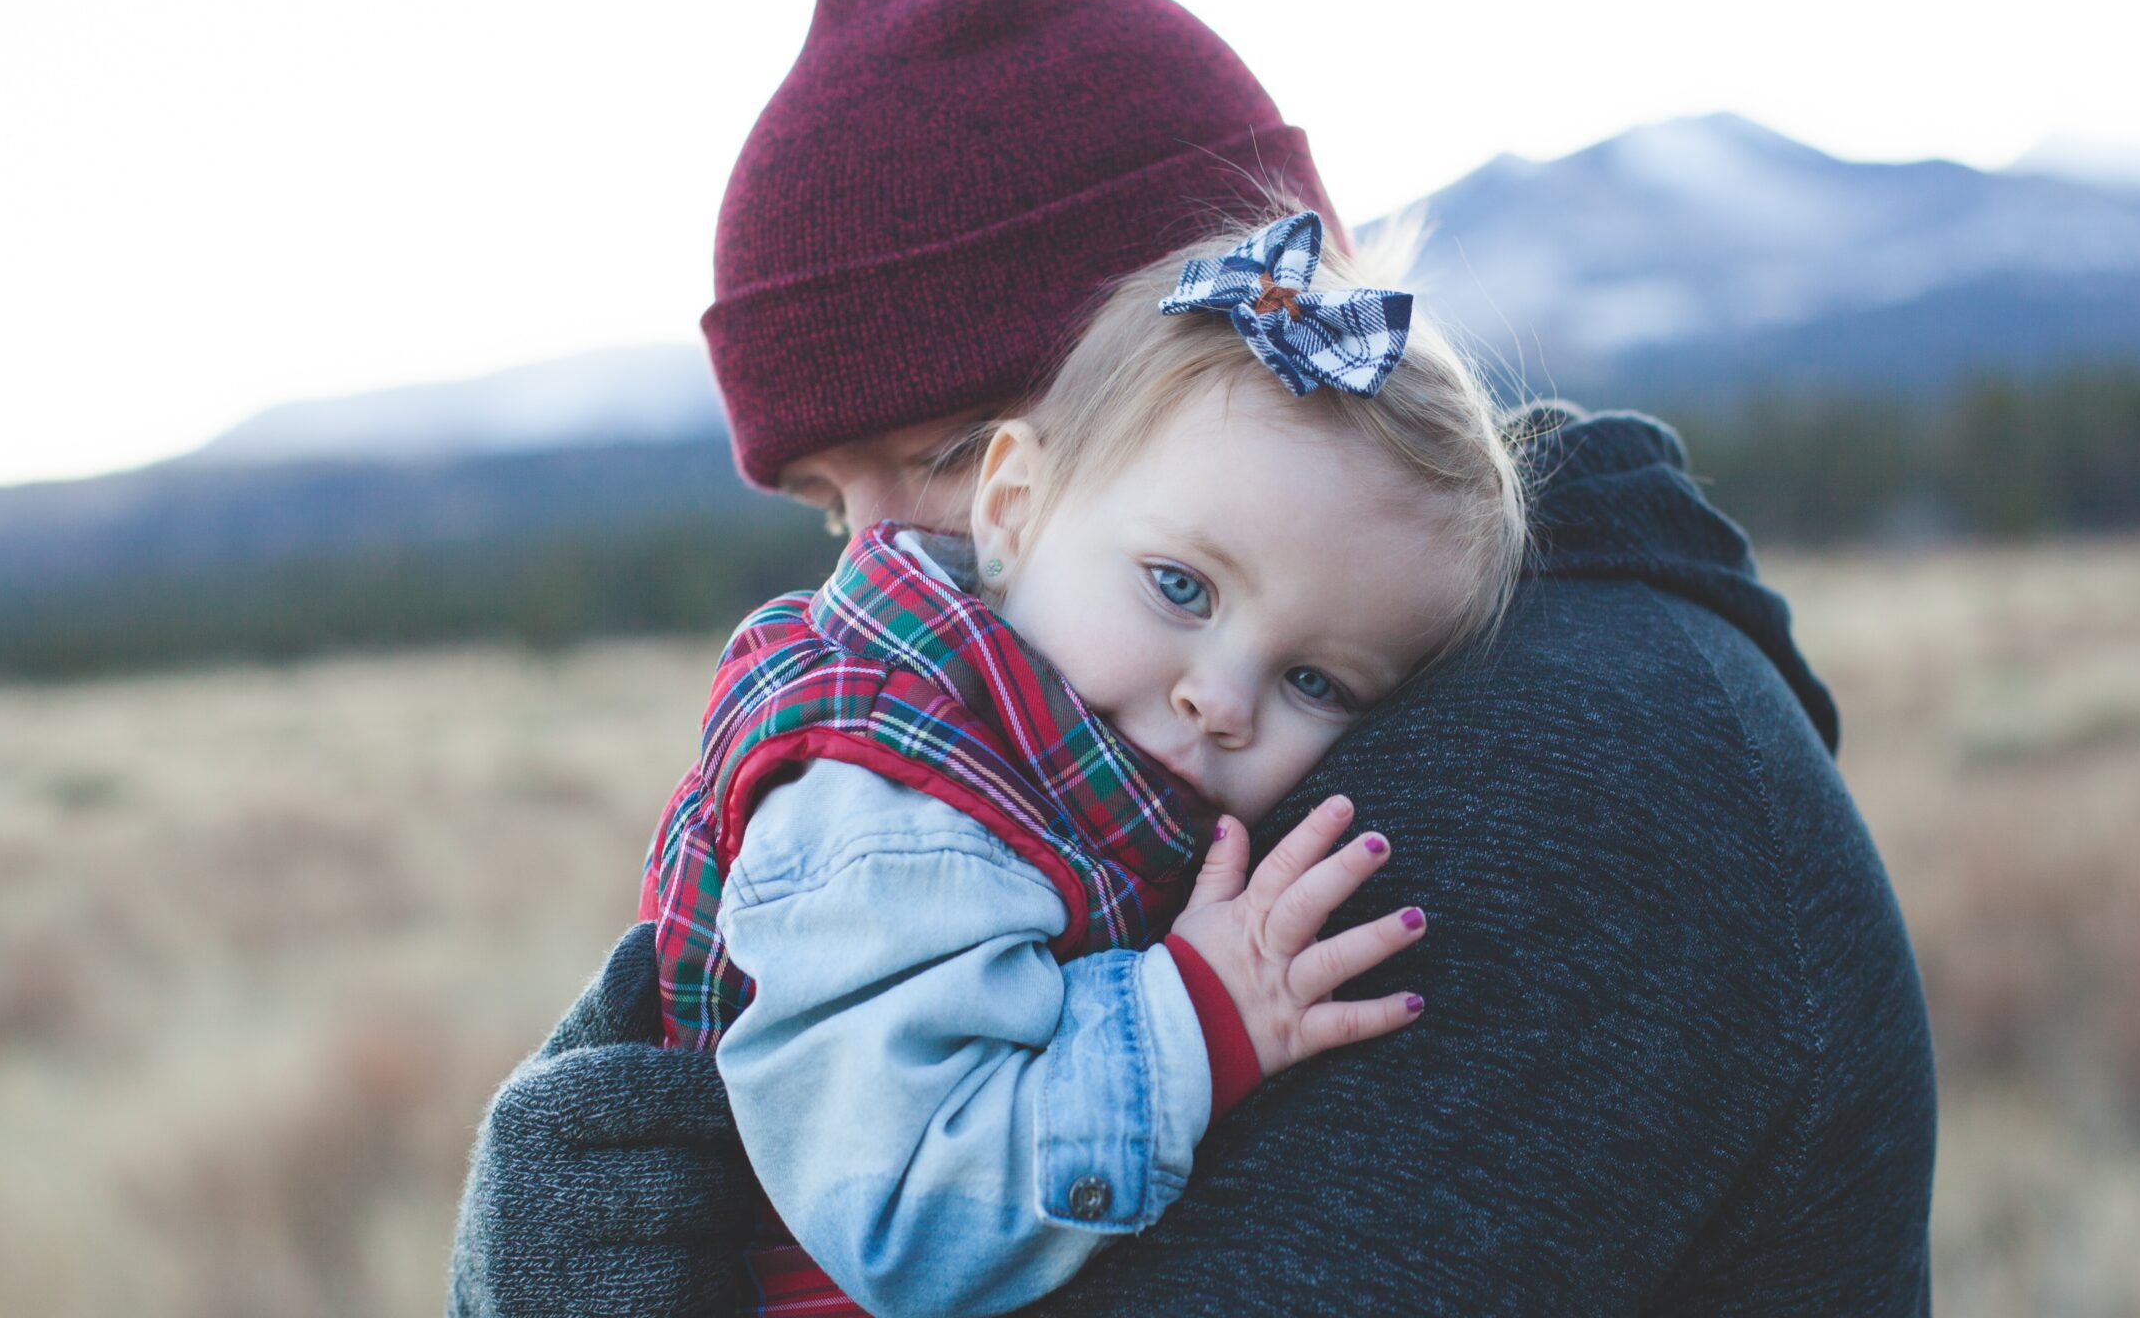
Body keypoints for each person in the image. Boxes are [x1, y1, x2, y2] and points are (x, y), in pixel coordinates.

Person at [449, 0, 1936, 1316]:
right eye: (833, 505)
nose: (875, 569)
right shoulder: (1101, 754)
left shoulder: (1553, 782)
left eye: (954, 458)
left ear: (1250, 351)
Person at [645, 211, 1526, 1315]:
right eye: (1180, 587)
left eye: (1317, 682)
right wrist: (1196, 1012)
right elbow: (909, 1217)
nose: (1222, 699)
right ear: (1012, 509)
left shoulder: (1068, 764)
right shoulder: (893, 807)